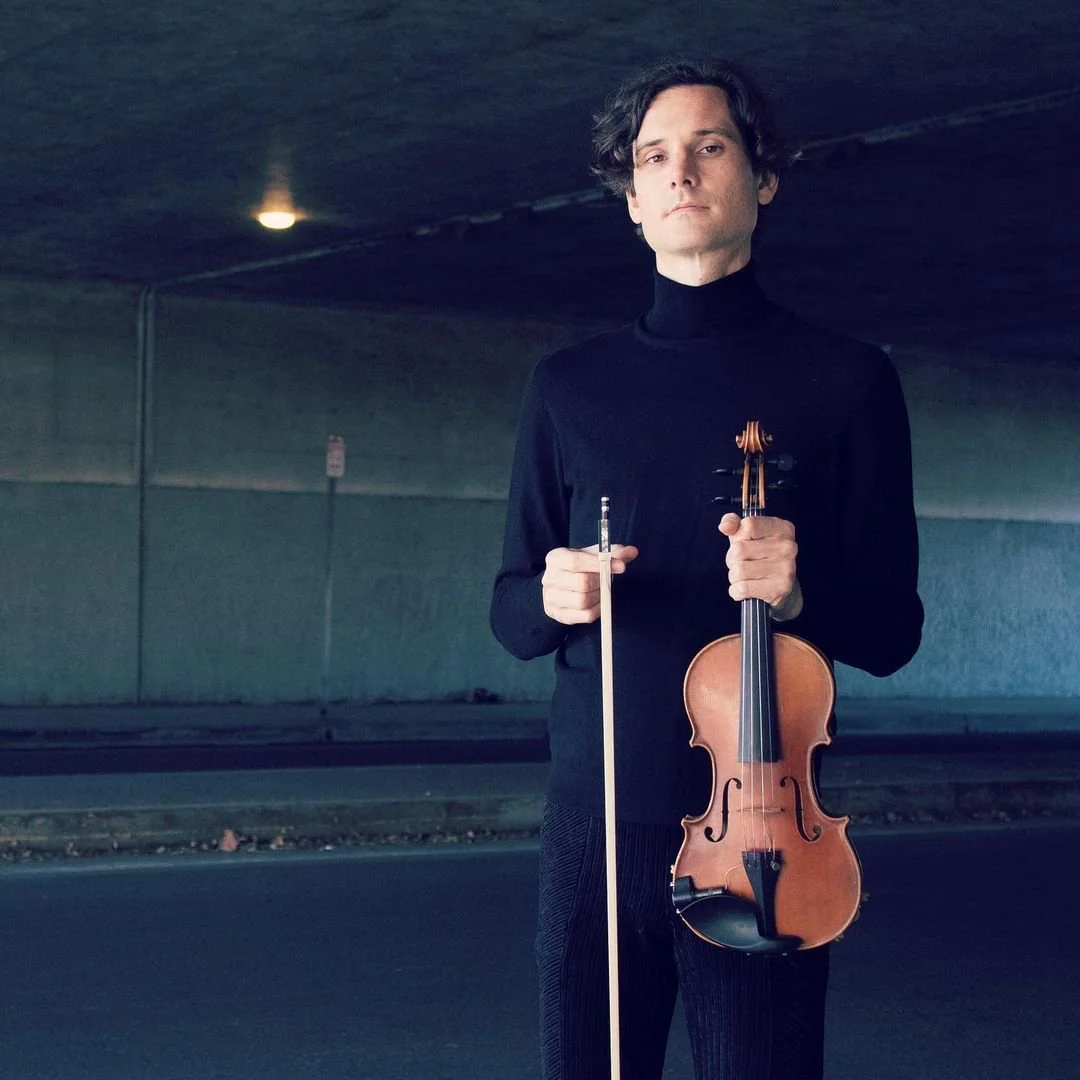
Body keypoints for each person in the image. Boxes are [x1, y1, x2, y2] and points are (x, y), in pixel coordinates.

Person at [490, 58, 923, 1080]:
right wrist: (552, 595)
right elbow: (509, 613)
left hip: (767, 838)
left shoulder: (850, 380)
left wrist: (802, 590)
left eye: (710, 145)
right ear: (632, 200)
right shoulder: (568, 387)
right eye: (653, 156)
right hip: (593, 830)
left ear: (762, 178)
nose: (680, 170)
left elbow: (893, 631)